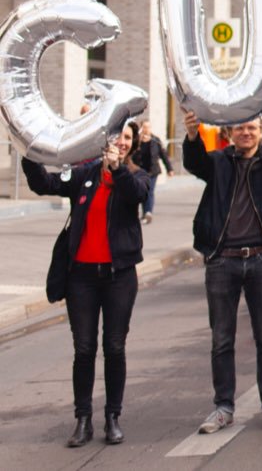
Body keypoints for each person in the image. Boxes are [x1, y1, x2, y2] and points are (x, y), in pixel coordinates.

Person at [27, 120, 149, 447]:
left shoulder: (137, 174)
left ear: (132, 144)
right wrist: (29, 153)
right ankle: (83, 418)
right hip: (80, 276)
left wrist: (117, 169)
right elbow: (46, 184)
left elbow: (136, 194)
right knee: (84, 348)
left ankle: (113, 417)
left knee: (114, 346)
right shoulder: (85, 174)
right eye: (116, 137)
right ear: (104, 140)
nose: (121, 143)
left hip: (118, 277)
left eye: (127, 138)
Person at [182, 97, 262, 434]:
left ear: (259, 131)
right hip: (223, 261)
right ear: (230, 133)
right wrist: (191, 136)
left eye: (251, 127)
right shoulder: (218, 163)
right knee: (221, 339)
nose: (245, 133)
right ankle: (223, 407)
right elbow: (195, 162)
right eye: (239, 128)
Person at [130, 119, 172, 224]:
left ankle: (148, 212)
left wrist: (169, 168)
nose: (146, 129)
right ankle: (143, 213)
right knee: (140, 192)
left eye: (148, 127)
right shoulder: (137, 141)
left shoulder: (155, 140)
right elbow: (130, 154)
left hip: (152, 171)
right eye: (144, 127)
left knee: (149, 191)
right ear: (141, 128)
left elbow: (163, 155)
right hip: (139, 171)